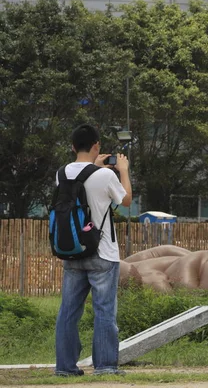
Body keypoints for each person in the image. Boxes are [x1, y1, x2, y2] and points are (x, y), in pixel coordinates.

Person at [54, 124, 132, 377]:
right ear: (97, 145)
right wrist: (123, 171)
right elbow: (126, 201)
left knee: (68, 311)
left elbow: (82, 187)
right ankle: (105, 366)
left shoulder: (61, 173)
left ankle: (65, 367)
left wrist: (94, 166)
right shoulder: (106, 176)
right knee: (104, 311)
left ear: (73, 147)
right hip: (102, 253)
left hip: (72, 250)